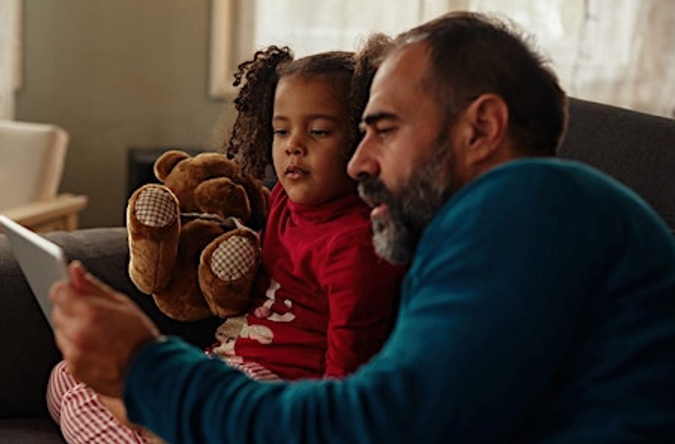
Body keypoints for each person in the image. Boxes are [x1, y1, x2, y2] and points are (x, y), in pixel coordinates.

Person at [50, 11, 675, 443]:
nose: (357, 161)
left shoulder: (527, 205)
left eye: (385, 128)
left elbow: (371, 426)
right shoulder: (488, 228)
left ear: (481, 129)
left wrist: (145, 369)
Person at [46, 41, 405, 443]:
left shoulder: (355, 243)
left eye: (319, 131)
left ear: (362, 139)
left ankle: (147, 423)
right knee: (66, 375)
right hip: (225, 358)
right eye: (281, 130)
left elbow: (350, 371)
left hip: (275, 386)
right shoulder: (283, 202)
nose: (293, 146)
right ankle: (148, 425)